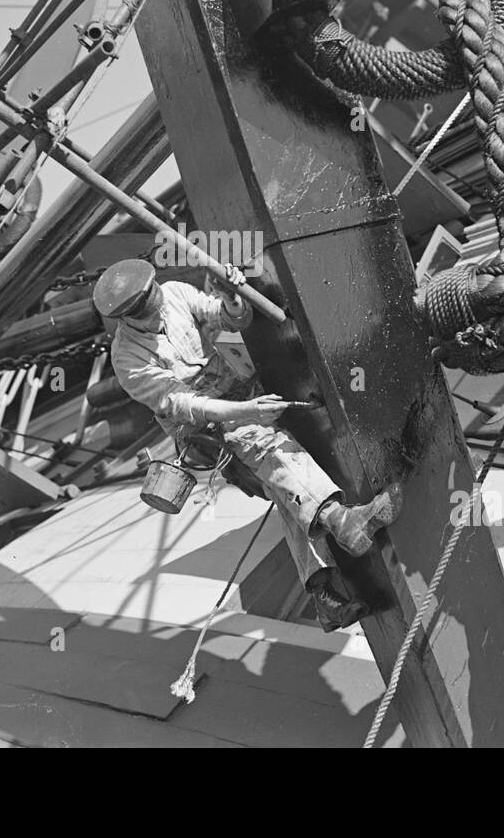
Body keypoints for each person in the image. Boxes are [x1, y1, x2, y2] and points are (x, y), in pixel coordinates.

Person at [95, 258, 402, 632]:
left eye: (155, 293)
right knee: (264, 444)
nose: (157, 303)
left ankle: (324, 598)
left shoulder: (174, 293)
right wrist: (247, 412)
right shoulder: (128, 359)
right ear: (127, 317)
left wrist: (231, 298)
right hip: (204, 426)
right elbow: (184, 405)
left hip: (237, 389)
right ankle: (343, 521)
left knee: (282, 487)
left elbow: (228, 319)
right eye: (146, 306)